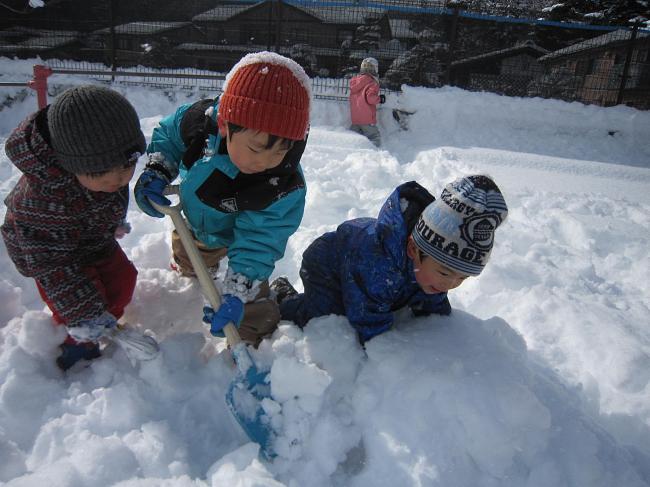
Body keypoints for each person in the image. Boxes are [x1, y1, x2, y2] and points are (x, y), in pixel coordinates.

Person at [134, 51, 311, 347]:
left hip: (239, 235)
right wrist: (159, 168)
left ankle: (250, 339)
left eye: (280, 150)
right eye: (256, 149)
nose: (266, 161)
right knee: (190, 255)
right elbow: (169, 136)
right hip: (196, 218)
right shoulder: (199, 125)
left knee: (252, 304)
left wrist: (239, 290)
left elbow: (260, 239)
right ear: (226, 125)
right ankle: (187, 276)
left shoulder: (281, 183)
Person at [1, 85, 146, 370]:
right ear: (72, 166)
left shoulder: (104, 172)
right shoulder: (42, 201)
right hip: (48, 255)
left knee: (122, 279)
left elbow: (107, 188)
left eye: (126, 167)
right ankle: (77, 341)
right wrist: (84, 314)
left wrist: (111, 220)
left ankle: (103, 323)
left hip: (87, 237)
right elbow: (55, 269)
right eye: (103, 172)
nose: (118, 179)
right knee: (77, 300)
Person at [272, 175, 508, 344]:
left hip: (375, 276)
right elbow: (367, 319)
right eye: (447, 273)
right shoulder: (379, 265)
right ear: (414, 250)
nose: (451, 284)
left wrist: (440, 326)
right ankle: (283, 299)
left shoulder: (434, 270)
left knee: (406, 291)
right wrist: (387, 352)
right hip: (328, 265)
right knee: (326, 315)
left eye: (463, 277)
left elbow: (433, 304)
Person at [349, 57, 385, 147]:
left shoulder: (355, 82)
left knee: (353, 137)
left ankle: (352, 148)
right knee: (374, 137)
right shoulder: (372, 83)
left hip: (355, 119)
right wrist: (380, 99)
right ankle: (373, 151)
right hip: (367, 119)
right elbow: (371, 98)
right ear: (375, 69)